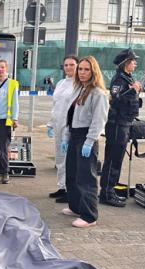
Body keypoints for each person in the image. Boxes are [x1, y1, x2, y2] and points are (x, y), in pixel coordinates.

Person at [61, 56, 108, 228]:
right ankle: (76, 206)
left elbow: (99, 121)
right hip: (74, 135)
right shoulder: (78, 89)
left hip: (86, 137)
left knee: (86, 178)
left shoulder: (98, 94)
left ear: (93, 71)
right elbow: (70, 116)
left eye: (86, 69)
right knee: (72, 174)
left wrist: (90, 141)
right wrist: (66, 137)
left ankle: (89, 215)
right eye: (80, 69)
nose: (82, 72)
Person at [99, 49, 141, 208]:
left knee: (117, 159)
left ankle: (109, 191)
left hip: (124, 123)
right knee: (113, 160)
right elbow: (115, 101)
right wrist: (133, 90)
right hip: (117, 124)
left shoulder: (127, 78)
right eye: (133, 61)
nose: (135, 63)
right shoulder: (119, 80)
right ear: (126, 63)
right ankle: (107, 193)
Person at [47, 56, 79, 203]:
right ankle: (62, 186)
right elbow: (56, 105)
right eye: (66, 65)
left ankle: (70, 190)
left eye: (72, 65)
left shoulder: (79, 85)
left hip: (69, 126)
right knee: (60, 158)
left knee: (68, 159)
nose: (68, 67)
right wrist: (50, 124)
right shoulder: (60, 83)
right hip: (58, 124)